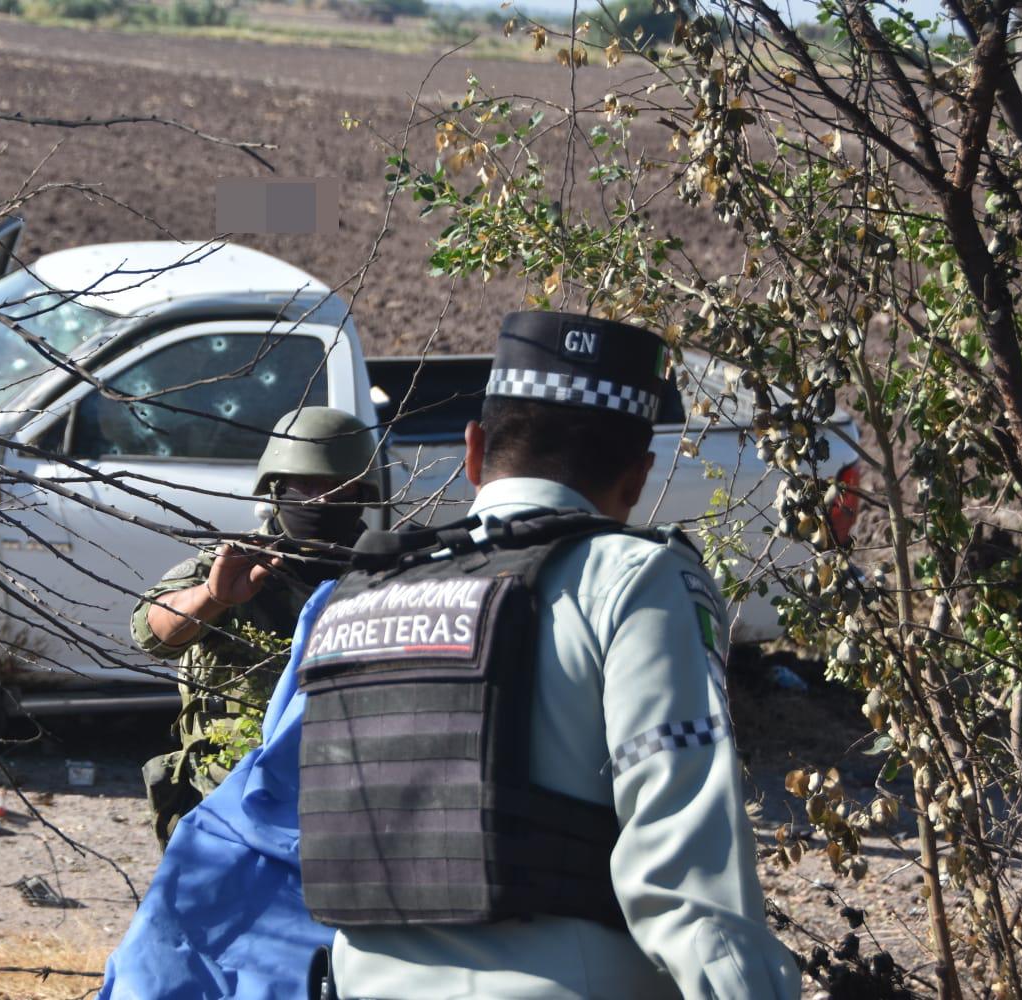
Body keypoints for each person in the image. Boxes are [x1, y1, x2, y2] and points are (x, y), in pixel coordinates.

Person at [296, 310, 800, 999]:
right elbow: (686, 873)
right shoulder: (634, 580)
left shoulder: (363, 592)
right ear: (638, 478)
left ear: (473, 451)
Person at [132, 405, 380, 847]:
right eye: (308, 485)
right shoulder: (236, 564)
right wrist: (214, 598)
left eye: (338, 487)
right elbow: (152, 633)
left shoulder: (389, 572)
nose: (322, 501)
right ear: (276, 487)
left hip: (350, 798)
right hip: (230, 799)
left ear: (362, 492)